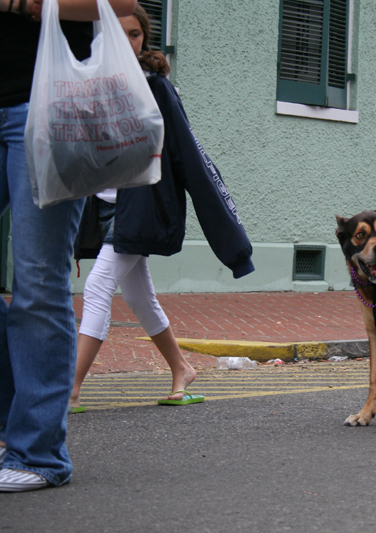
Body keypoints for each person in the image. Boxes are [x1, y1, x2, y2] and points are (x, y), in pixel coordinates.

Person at [69, 5, 255, 413]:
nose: (128, 42)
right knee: (139, 297)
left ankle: (70, 390)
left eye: (135, 34)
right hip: (101, 207)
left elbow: (188, 156)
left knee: (99, 287)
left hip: (142, 208)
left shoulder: (156, 87)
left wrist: (233, 243)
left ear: (143, 39)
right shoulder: (89, 82)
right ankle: (181, 367)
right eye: (118, 33)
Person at [0, 0, 137, 493]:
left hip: (48, 104)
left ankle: (39, 453)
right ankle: (17, 415)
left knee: (37, 278)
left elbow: (123, 4)